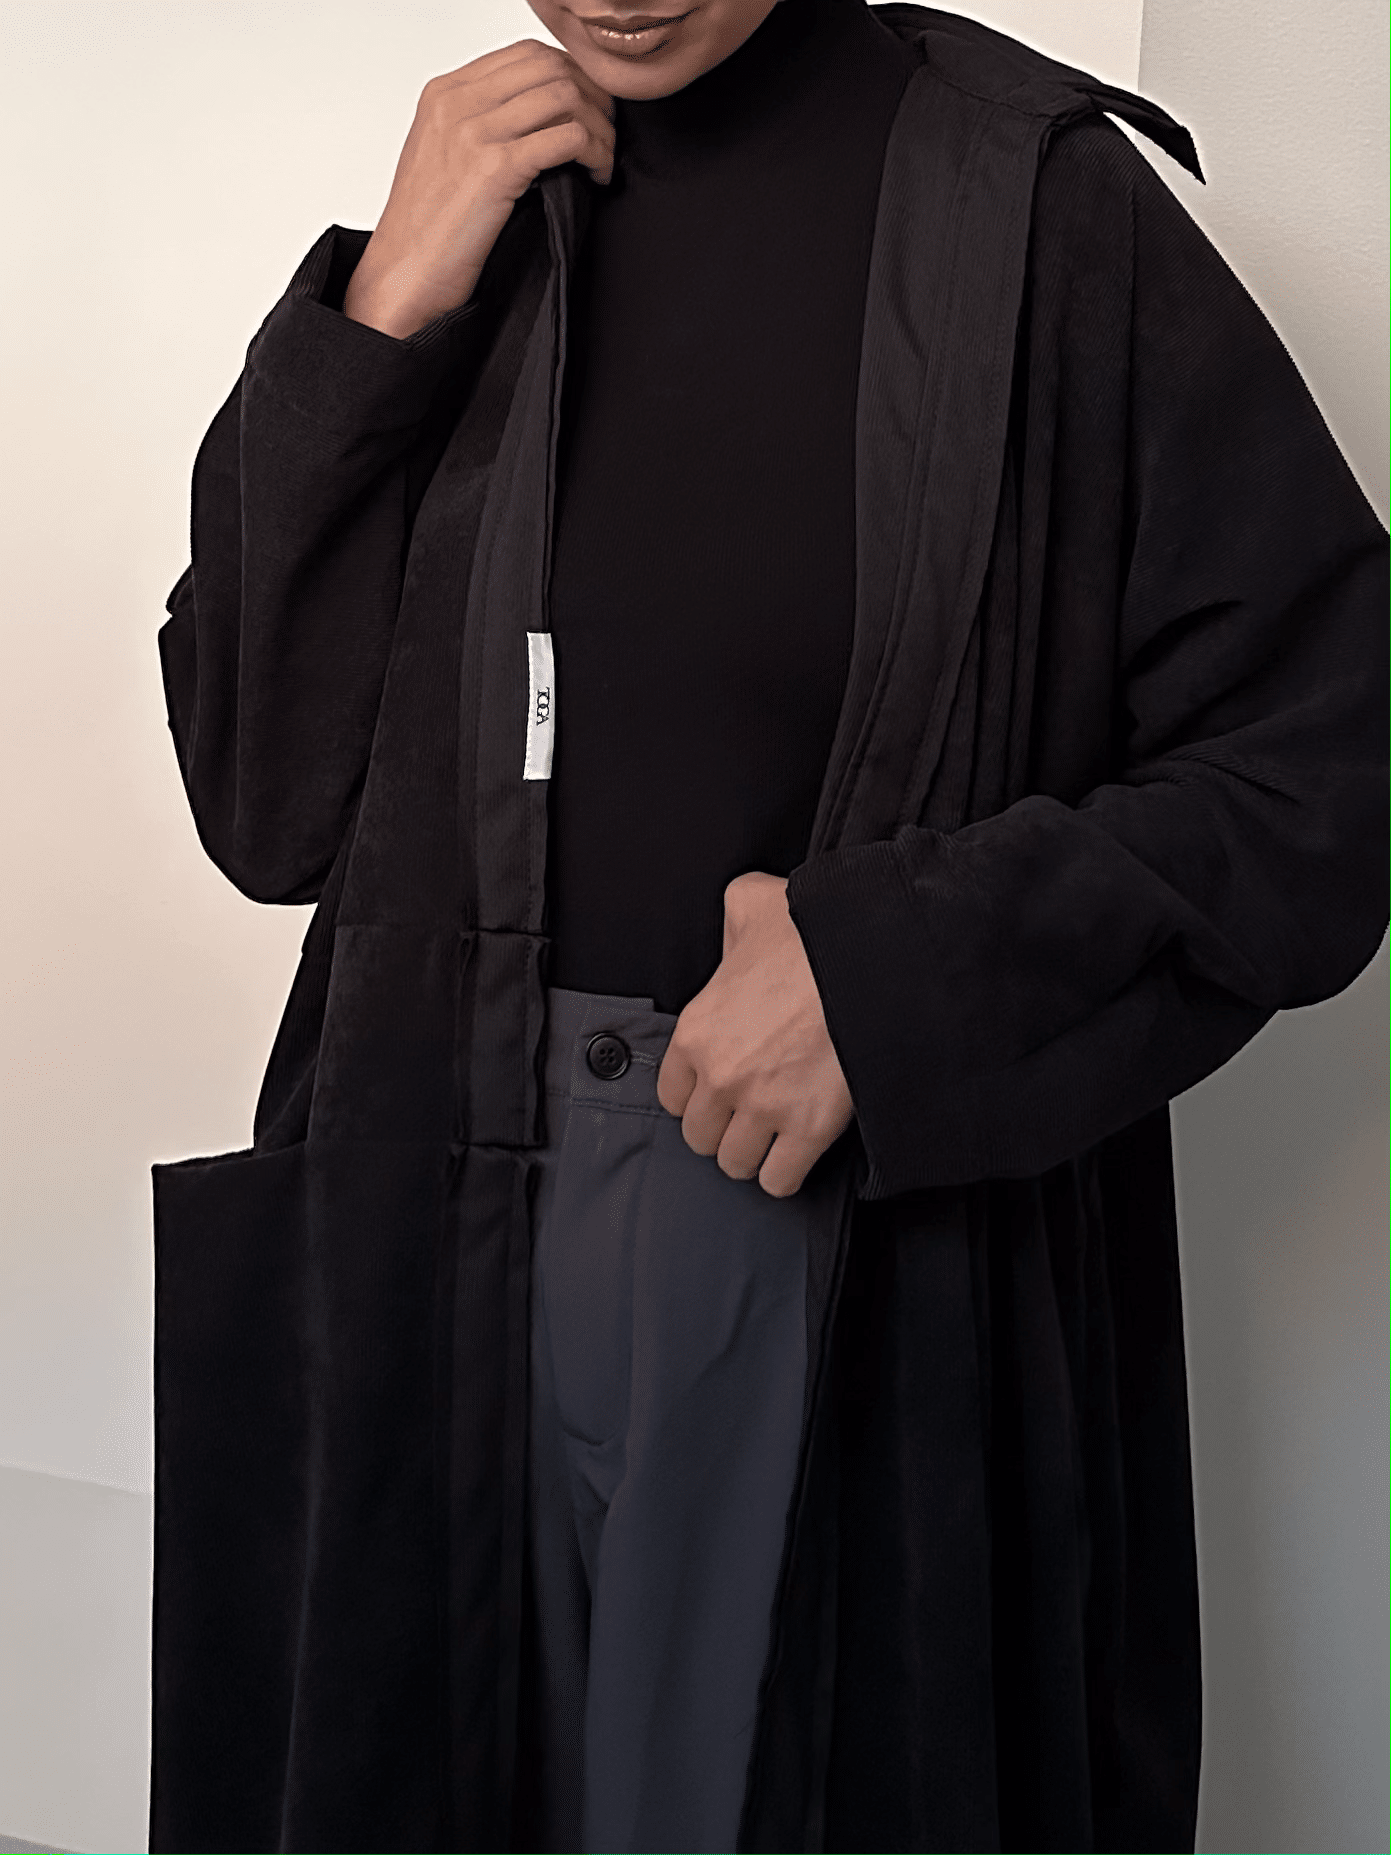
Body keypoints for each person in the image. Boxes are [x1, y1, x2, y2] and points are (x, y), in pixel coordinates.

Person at [148, 2, 1388, 1851]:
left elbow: (1327, 762)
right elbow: (263, 804)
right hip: (427, 1231)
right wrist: (377, 317)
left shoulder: (1036, 206)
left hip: (839, 1257)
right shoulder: (474, 216)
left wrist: (894, 979)